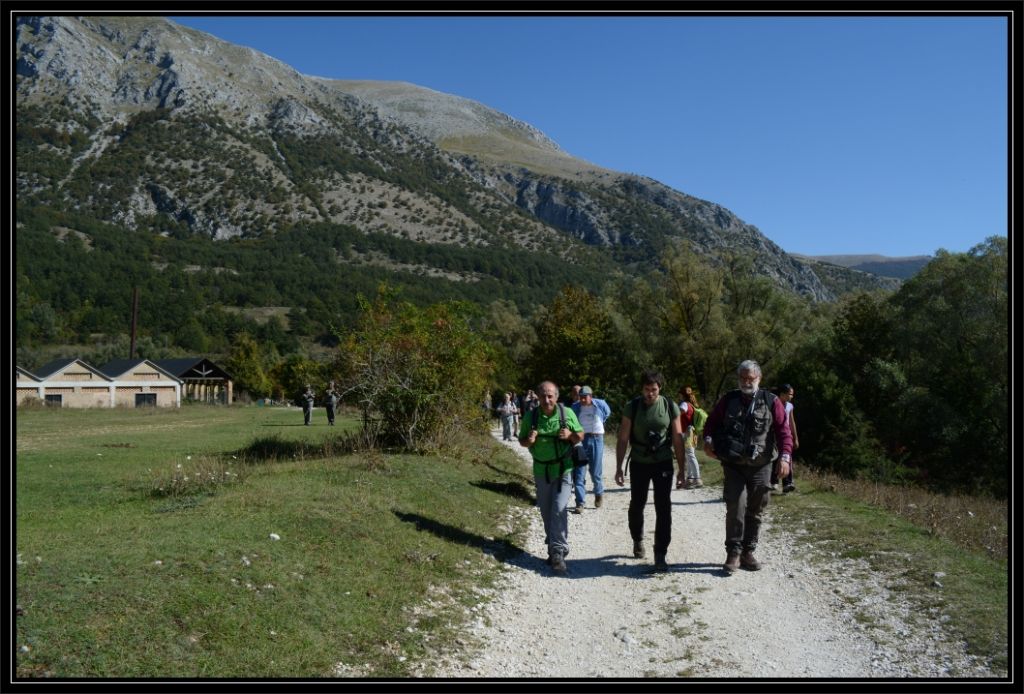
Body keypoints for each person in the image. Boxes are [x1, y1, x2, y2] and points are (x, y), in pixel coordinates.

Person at [702, 360, 792, 574]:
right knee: (736, 505)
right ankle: (733, 552)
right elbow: (711, 423)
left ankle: (748, 551)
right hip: (733, 465)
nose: (746, 382)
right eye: (742, 378)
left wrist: (786, 457)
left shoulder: (771, 401)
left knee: (756, 507)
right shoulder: (729, 400)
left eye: (750, 378)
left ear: (759, 379)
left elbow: (783, 431)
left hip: (761, 465)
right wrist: (707, 440)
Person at [614, 371, 687, 572]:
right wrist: (619, 467)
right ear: (641, 389)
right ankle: (637, 539)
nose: (650, 394)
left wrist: (682, 469)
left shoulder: (670, 406)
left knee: (663, 507)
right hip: (639, 462)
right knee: (637, 504)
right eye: (646, 390)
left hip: (663, 462)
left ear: (659, 389)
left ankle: (660, 553)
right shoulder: (632, 406)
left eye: (653, 390)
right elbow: (622, 438)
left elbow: (678, 438)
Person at [519, 380, 584, 574]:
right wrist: (528, 440)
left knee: (559, 508)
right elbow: (522, 441)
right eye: (543, 396)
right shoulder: (531, 417)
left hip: (564, 469)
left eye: (550, 396)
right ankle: (554, 546)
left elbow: (580, 435)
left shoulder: (567, 413)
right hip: (541, 471)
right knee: (546, 511)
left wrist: (571, 434)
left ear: (556, 397)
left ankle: (557, 552)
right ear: (538, 397)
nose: (547, 400)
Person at [570, 385, 611, 513]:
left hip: (597, 439)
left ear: (591, 396)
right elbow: (571, 420)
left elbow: (607, 413)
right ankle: (580, 503)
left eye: (585, 397)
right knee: (579, 473)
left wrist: (599, 427)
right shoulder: (575, 407)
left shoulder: (600, 404)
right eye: (580, 397)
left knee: (595, 471)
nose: (582, 400)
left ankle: (598, 493)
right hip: (581, 440)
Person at [770, 384, 800, 493]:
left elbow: (792, 423)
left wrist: (795, 438)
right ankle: (774, 481)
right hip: (774, 434)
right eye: (790, 394)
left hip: (785, 435)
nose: (791, 396)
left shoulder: (789, 406)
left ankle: (788, 483)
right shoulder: (773, 403)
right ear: (782, 394)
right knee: (774, 456)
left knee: (787, 457)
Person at [677, 387, 704, 489]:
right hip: (692, 432)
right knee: (689, 455)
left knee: (690, 455)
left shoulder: (684, 404)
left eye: (679, 394)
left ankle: (697, 479)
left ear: (683, 395)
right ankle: (690, 479)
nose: (678, 396)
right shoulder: (692, 405)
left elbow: (679, 412)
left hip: (687, 432)